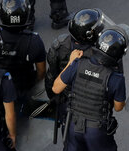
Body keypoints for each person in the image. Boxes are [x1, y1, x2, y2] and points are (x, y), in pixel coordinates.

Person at [0, 0, 48, 151]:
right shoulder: (33, 41)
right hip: (20, 94)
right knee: (12, 137)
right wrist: (31, 88)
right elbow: (41, 72)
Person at [45, 8, 108, 136]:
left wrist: (57, 102)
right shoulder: (102, 52)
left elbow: (51, 80)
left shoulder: (59, 45)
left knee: (71, 148)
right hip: (94, 112)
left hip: (68, 108)